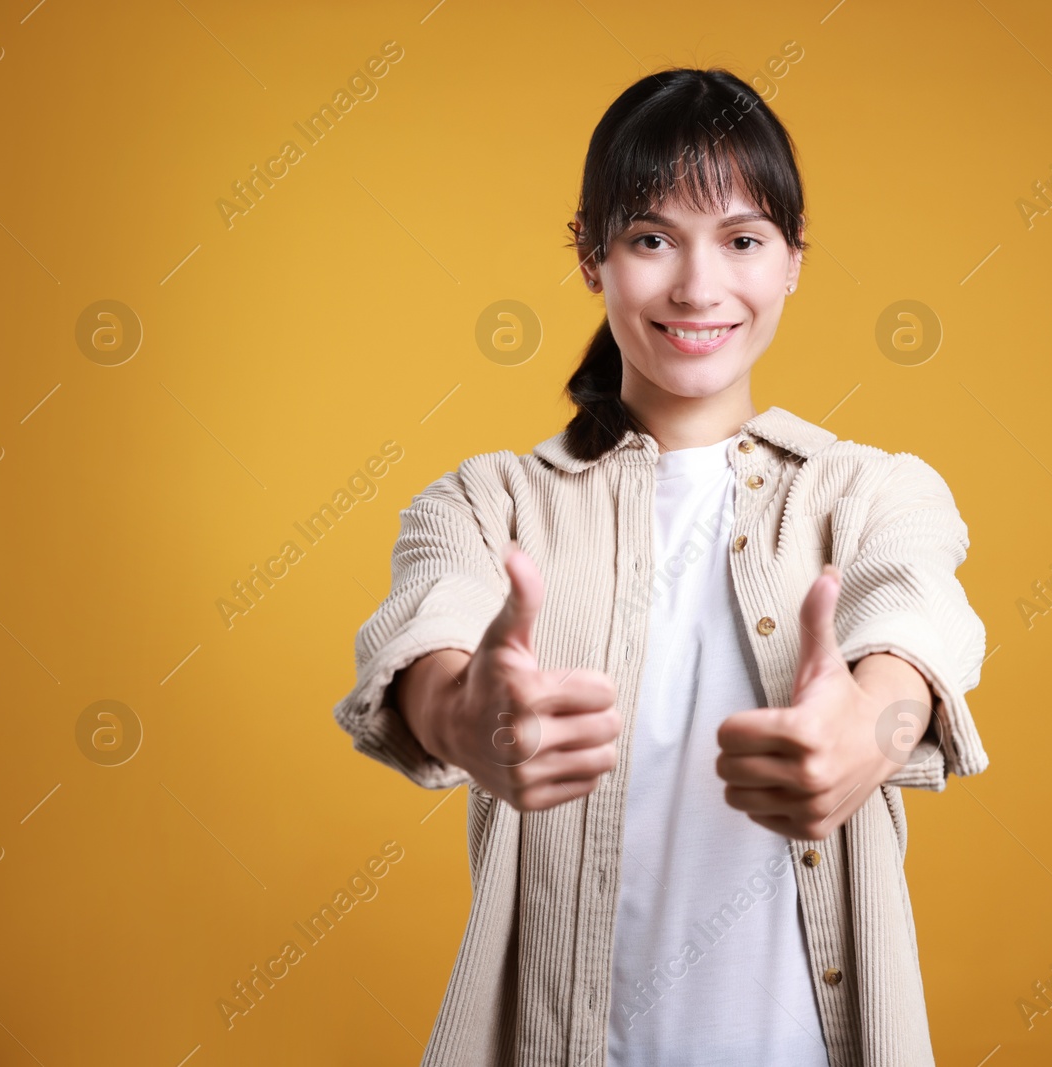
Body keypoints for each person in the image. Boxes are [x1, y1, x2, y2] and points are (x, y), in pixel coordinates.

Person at [331, 66, 990, 1067]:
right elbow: (430, 627)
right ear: (591, 256)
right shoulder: (484, 501)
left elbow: (918, 609)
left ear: (793, 259)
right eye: (650, 238)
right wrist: (462, 715)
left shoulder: (871, 492)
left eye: (741, 239)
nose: (696, 285)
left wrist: (873, 719)